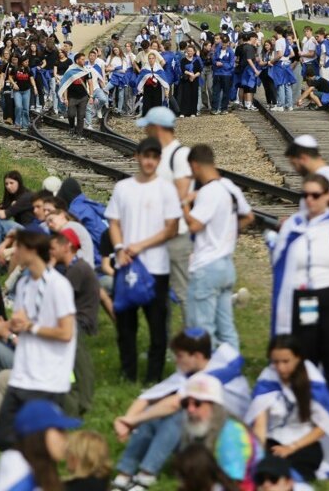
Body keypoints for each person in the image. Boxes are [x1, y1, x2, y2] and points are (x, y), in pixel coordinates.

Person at [112, 329, 251, 491]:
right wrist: (127, 421)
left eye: (179, 356)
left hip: (223, 437)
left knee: (177, 415)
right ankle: (125, 473)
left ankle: (146, 475)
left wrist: (133, 420)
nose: (176, 361)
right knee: (154, 412)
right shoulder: (193, 369)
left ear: (197, 356)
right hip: (201, 429)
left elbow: (175, 403)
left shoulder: (215, 373)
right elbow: (149, 397)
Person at [270, 174, 329, 406]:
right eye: (306, 195)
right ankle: (306, 412)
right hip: (304, 298)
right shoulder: (294, 226)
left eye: (316, 195)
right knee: (305, 358)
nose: (310, 200)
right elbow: (280, 263)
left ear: (328, 197)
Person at [246, 336, 329, 483]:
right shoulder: (267, 381)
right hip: (273, 440)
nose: (280, 368)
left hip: (303, 443)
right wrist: (259, 455)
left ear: (298, 358)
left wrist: (292, 447)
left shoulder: (312, 381)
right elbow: (260, 426)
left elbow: (324, 425)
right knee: (265, 469)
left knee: (294, 470)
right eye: (275, 362)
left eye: (286, 362)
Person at [106, 137, 181, 383]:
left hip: (156, 268)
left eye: (154, 157)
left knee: (157, 328)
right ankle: (128, 374)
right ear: (137, 157)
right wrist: (119, 248)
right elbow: (114, 222)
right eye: (145, 156)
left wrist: (140, 245)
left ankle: (153, 378)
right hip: (125, 266)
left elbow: (171, 227)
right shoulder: (123, 188)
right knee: (125, 327)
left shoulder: (166, 189)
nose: (149, 161)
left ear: (158, 160)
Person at [0, 231, 77, 451]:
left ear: (31, 250)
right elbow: (21, 321)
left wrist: (31, 326)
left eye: (18, 248)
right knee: (4, 437)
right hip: (23, 373)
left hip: (48, 376)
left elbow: (66, 333)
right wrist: (10, 326)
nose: (14, 253)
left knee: (39, 443)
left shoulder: (58, 285)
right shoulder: (24, 285)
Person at [181, 144, 253, 349]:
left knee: (202, 329)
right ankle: (232, 371)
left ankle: (207, 376)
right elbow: (248, 216)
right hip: (225, 266)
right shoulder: (229, 186)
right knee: (226, 329)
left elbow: (194, 225)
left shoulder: (208, 192)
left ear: (195, 166)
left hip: (206, 266)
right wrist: (227, 233)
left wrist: (184, 204)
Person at [136, 107, 192, 325]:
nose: (145, 132)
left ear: (157, 128)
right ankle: (162, 343)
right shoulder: (158, 154)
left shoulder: (180, 155)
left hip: (177, 235)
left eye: (147, 127)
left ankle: (193, 342)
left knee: (183, 291)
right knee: (158, 294)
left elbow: (182, 194)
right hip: (157, 236)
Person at [178, 374, 261, 490]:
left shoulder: (230, 433)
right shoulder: (196, 429)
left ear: (214, 405)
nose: (190, 410)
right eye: (186, 404)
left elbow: (234, 483)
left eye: (197, 403)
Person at [50, 231, 100, 415]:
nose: (51, 253)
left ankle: (77, 395)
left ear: (67, 246)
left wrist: (50, 266)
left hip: (81, 321)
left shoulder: (77, 269)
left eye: (53, 248)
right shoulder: (74, 268)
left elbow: (56, 299)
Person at [0, 400, 82, 491]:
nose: (66, 437)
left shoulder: (37, 469)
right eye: (59, 430)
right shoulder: (19, 473)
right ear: (39, 434)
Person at [59, 52, 95, 138]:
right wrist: (65, 98)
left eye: (84, 59)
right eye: (82, 59)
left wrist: (91, 96)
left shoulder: (86, 71)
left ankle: (79, 133)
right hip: (72, 96)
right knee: (71, 114)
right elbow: (65, 85)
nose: (84, 61)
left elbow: (90, 84)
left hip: (83, 96)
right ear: (77, 60)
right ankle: (71, 127)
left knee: (81, 116)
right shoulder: (70, 71)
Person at [211, 34, 235, 114]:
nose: (224, 44)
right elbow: (213, 60)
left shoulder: (231, 52)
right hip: (217, 73)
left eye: (225, 43)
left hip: (226, 74)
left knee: (226, 91)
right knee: (215, 91)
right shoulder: (217, 50)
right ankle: (214, 108)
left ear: (228, 43)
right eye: (223, 43)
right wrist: (216, 62)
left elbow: (231, 64)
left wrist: (223, 64)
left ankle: (224, 108)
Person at [177, 45, 202, 117]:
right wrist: (190, 74)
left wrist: (194, 76)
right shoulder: (183, 60)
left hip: (194, 80)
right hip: (185, 80)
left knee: (194, 95)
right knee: (185, 95)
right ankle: (183, 112)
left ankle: (193, 112)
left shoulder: (196, 60)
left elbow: (199, 70)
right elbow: (182, 69)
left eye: (191, 51)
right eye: (188, 51)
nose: (189, 52)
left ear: (194, 52)